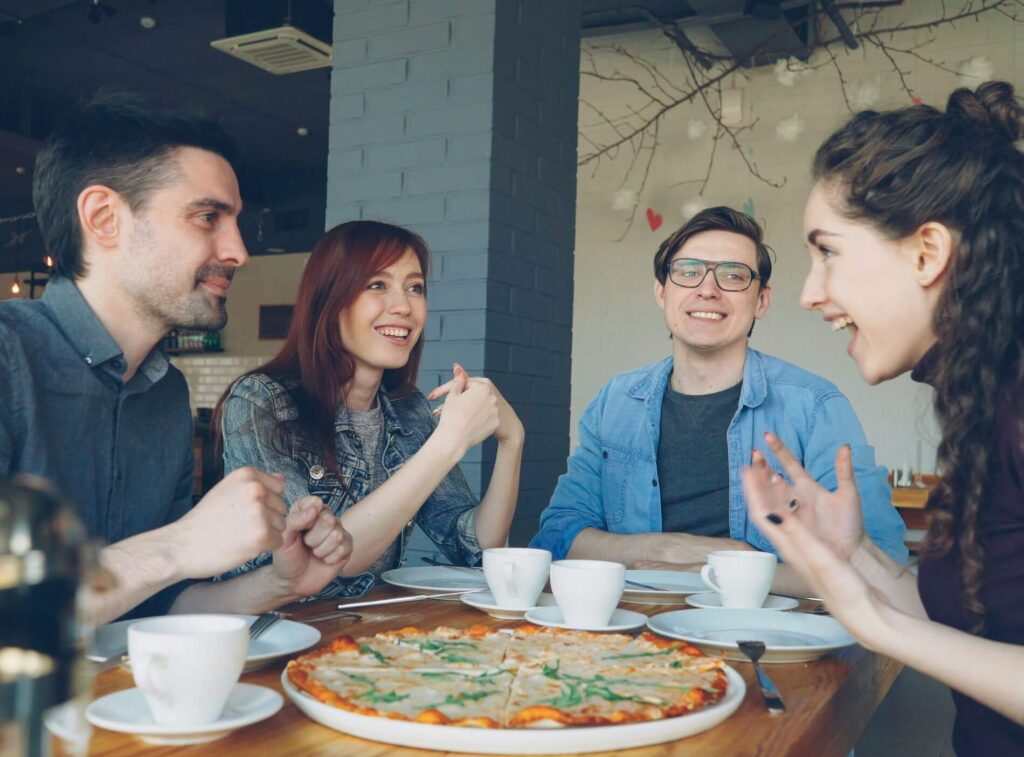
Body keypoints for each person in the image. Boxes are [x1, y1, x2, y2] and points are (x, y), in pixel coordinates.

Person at [742, 81, 1024, 757]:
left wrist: (875, 625)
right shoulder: (984, 395)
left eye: (829, 252)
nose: (810, 293)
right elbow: (969, 635)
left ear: (927, 252)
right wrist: (854, 552)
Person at [0, 93, 351, 624]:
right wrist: (179, 544)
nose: (238, 252)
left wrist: (279, 583)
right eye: (208, 217)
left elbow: (160, 604)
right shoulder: (10, 358)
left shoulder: (166, 392)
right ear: (104, 218)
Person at [530, 206, 907, 594]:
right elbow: (559, 535)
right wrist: (668, 549)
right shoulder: (616, 402)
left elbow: (880, 559)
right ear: (662, 292)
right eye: (688, 272)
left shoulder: (814, 406)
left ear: (761, 301)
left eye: (733, 275)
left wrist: (722, 570)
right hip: (633, 620)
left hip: (763, 627)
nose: (707, 290)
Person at [213, 220, 524, 600]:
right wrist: (448, 443)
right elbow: (312, 566)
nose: (403, 306)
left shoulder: (408, 411)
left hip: (363, 628)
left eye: (415, 288)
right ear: (329, 300)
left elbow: (474, 548)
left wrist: (512, 441)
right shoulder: (261, 403)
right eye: (377, 285)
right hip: (275, 628)